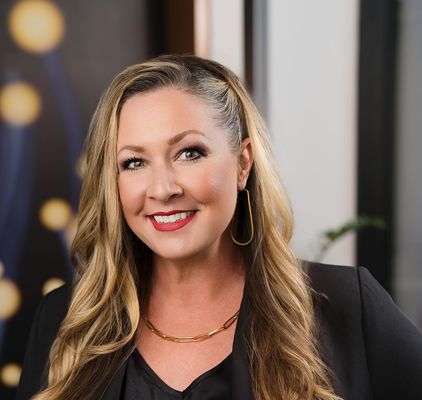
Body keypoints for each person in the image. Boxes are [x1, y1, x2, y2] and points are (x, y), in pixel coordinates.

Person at [17, 54, 422, 400]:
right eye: (134, 162)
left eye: (189, 153)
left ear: (243, 163)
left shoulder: (347, 307)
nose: (162, 189)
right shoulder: (63, 321)